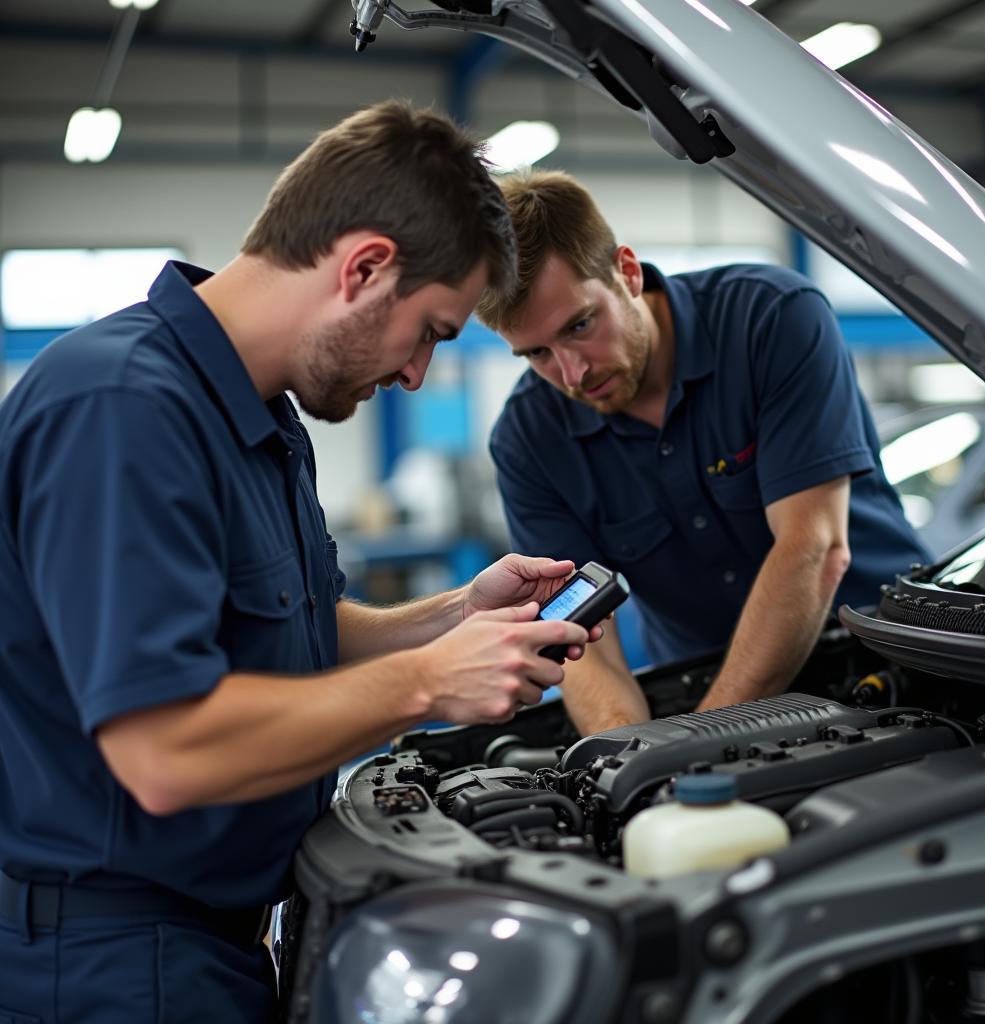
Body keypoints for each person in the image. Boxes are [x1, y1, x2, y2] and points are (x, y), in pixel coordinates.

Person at [0, 104, 600, 1024]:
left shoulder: (264, 413)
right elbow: (163, 748)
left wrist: (453, 618)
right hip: (113, 964)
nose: (414, 377)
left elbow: (283, 629)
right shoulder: (121, 410)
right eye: (433, 331)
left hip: (220, 940)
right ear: (363, 268)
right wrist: (428, 684)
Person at [480, 170, 930, 735]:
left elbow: (812, 548)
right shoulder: (528, 438)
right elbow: (579, 638)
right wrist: (631, 754)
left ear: (626, 272)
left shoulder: (771, 319)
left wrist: (699, 743)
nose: (572, 373)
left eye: (580, 325)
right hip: (709, 684)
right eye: (536, 354)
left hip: (894, 656)